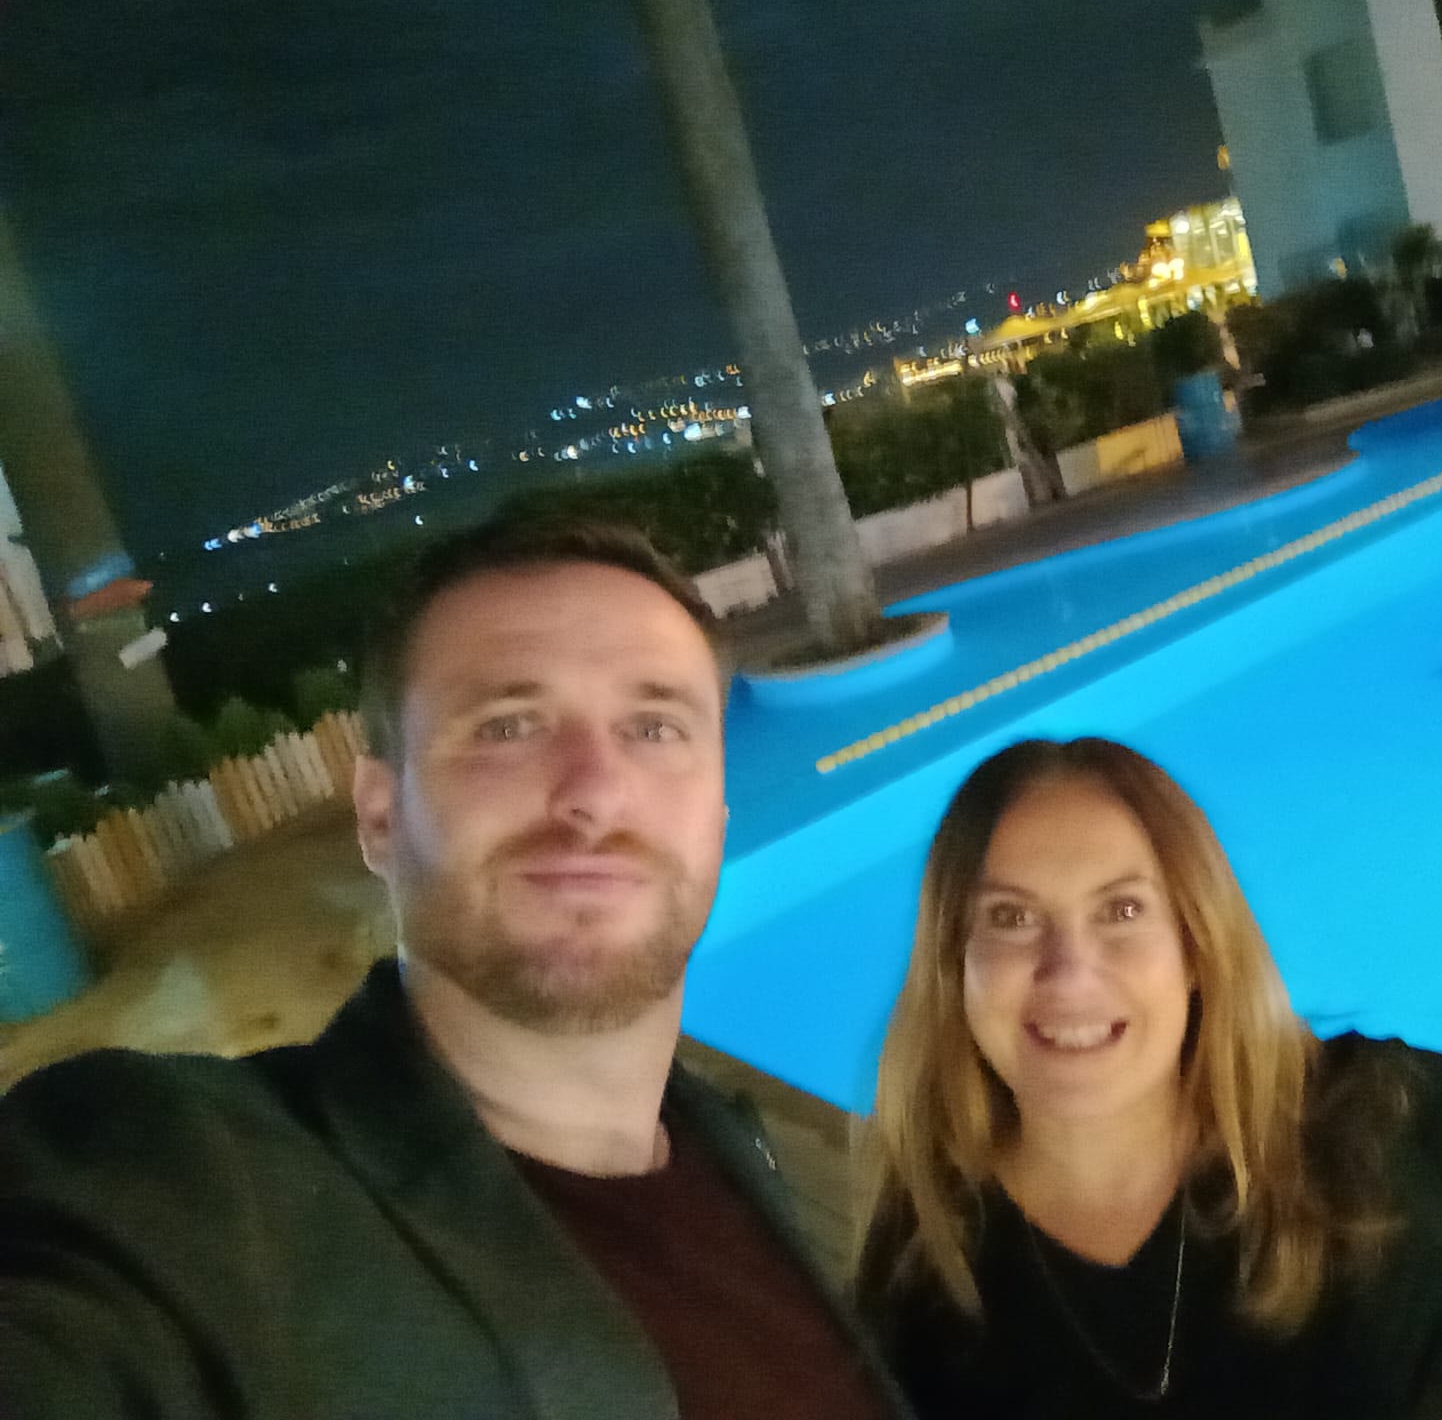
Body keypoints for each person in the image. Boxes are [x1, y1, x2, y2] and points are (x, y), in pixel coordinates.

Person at [0, 516, 911, 1420]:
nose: (595, 789)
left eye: (654, 726)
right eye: (508, 726)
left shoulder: (730, 1145)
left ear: (714, 822)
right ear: (380, 817)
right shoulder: (194, 1191)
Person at [855, 737, 1442, 1419]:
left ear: (1196, 948)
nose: (1068, 974)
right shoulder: (924, 1262)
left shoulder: (1377, 1125)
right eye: (1009, 919)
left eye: (1122, 910)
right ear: (951, 966)